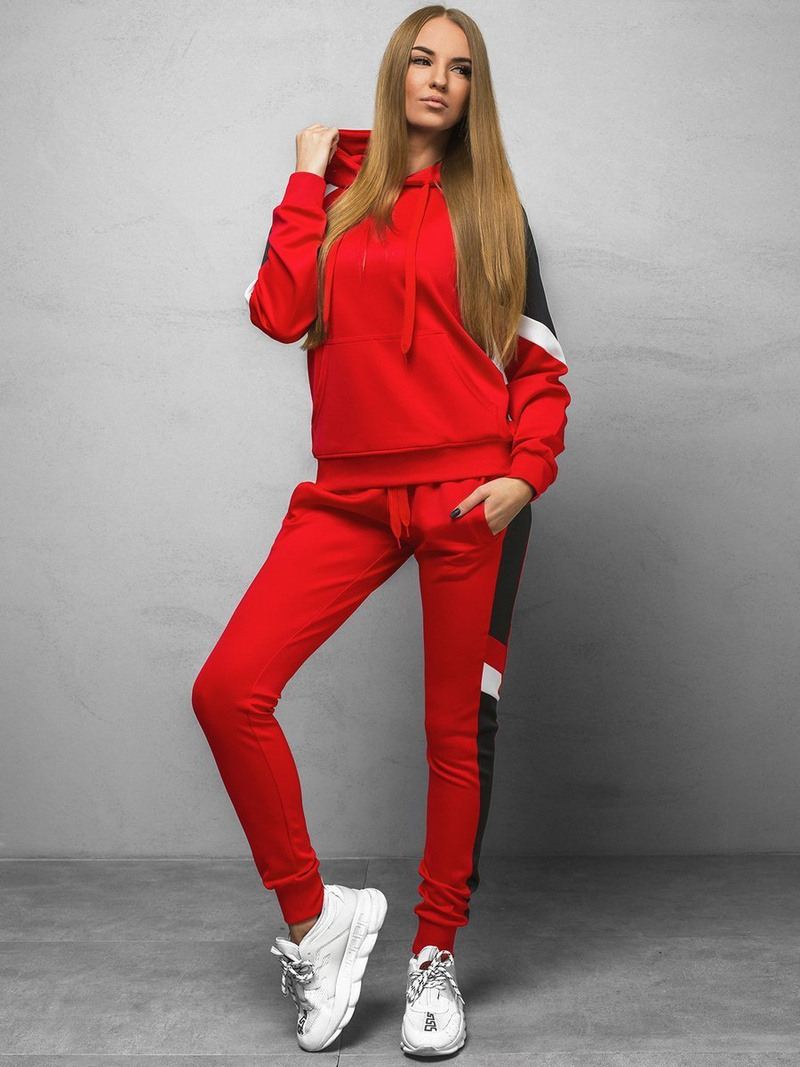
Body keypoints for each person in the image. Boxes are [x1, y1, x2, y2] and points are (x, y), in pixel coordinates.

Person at [191, 5, 570, 1058]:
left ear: (474, 91)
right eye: (422, 59)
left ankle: (433, 954)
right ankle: (319, 920)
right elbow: (278, 312)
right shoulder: (335, 196)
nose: (439, 79)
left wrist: (522, 474)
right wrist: (302, 178)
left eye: (460, 68)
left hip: (467, 495)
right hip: (350, 493)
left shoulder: (492, 209)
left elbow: (539, 365)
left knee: (454, 735)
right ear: (395, 72)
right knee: (228, 689)